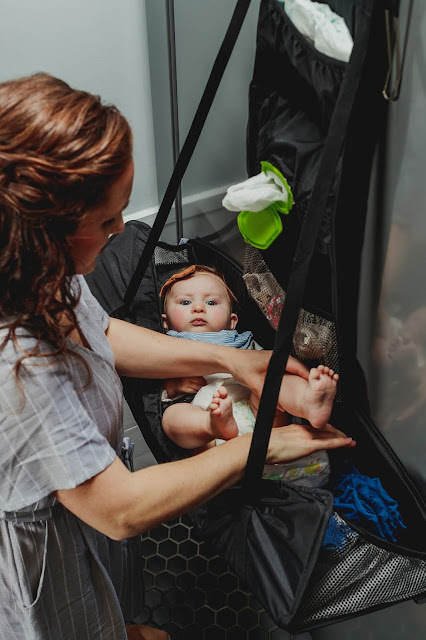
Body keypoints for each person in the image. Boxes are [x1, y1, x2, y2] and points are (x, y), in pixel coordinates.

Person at [0, 73, 356, 640]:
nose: (122, 229)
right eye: (107, 220)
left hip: (90, 506)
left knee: (111, 597)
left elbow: (102, 332)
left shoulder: (36, 268)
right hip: (50, 544)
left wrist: (235, 361)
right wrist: (261, 446)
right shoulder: (19, 372)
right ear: (47, 230)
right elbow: (120, 511)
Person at [161, 265, 340, 487]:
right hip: (211, 426)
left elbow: (268, 369)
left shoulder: (243, 342)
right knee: (172, 417)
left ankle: (308, 402)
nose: (198, 308)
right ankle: (212, 424)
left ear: (232, 321)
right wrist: (173, 386)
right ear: (165, 322)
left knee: (277, 381)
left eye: (212, 303)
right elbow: (159, 393)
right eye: (185, 302)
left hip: (260, 415)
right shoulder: (168, 348)